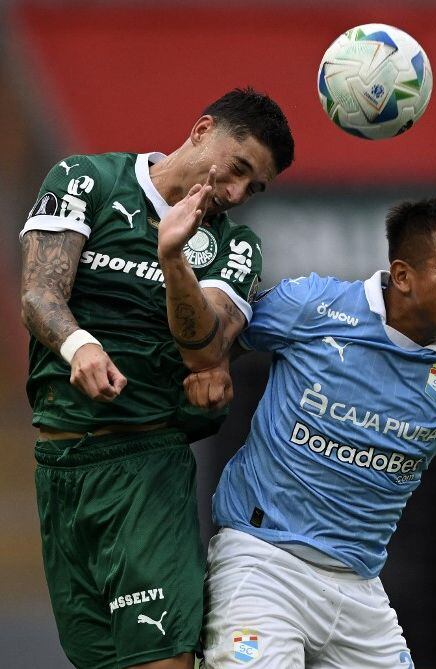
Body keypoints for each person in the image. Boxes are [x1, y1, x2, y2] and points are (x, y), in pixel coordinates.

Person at [183, 198, 436, 668]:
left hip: (359, 587)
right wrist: (210, 365)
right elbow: (206, 341)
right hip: (262, 563)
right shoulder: (312, 305)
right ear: (404, 275)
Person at [19, 87, 294, 669]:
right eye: (238, 169)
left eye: (254, 187)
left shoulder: (234, 246)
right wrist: (79, 345)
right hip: (58, 469)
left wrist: (173, 258)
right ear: (202, 130)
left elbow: (206, 349)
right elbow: (40, 293)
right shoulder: (87, 180)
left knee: (162, 659)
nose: (237, 193)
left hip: (146, 467)